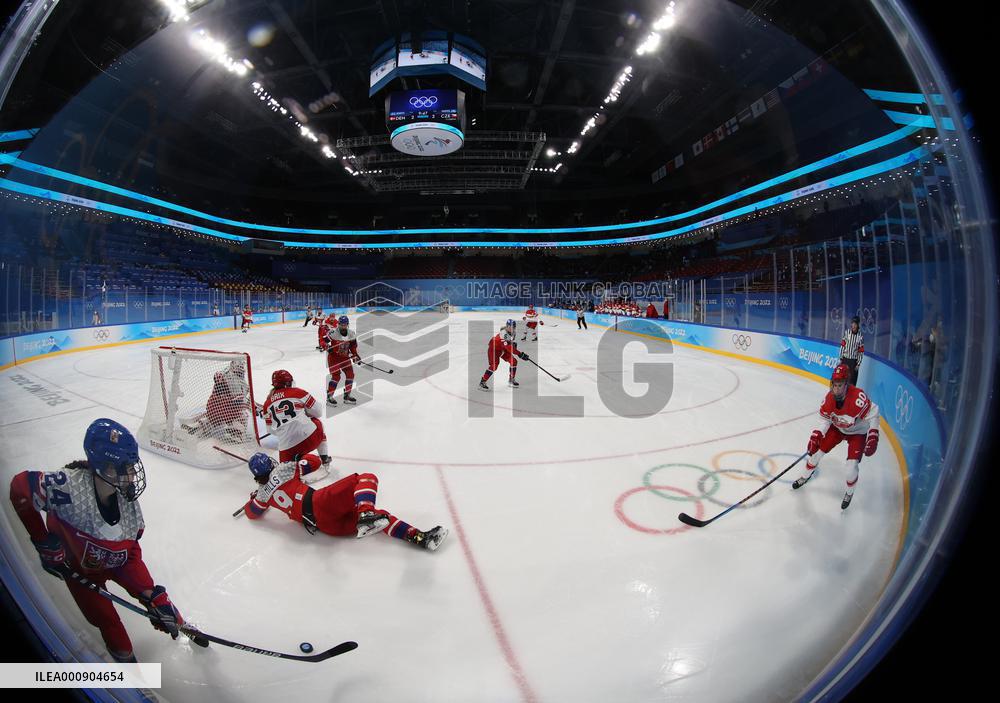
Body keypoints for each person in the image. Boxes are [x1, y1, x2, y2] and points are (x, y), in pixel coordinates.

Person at [8, 419, 207, 662]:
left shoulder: (127, 501)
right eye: (128, 466)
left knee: (158, 600)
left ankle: (181, 623)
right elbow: (21, 488)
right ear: (108, 469)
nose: (134, 473)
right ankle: (132, 674)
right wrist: (42, 540)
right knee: (109, 622)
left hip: (119, 560)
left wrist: (152, 596)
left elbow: (131, 549)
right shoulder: (71, 488)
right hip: (83, 571)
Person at [242, 453, 448, 550]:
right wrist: (297, 460)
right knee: (366, 478)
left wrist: (254, 497)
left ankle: (420, 538)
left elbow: (252, 513)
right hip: (320, 503)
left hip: (325, 527)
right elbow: (314, 462)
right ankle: (366, 513)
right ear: (270, 464)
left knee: (382, 517)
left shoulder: (262, 495)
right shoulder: (282, 470)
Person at [791, 364, 880, 510]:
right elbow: (825, 420)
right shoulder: (829, 399)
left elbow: (874, 412)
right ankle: (805, 476)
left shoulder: (858, 397)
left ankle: (849, 492)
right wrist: (817, 435)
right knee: (816, 454)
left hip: (857, 432)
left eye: (840, 385)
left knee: (851, 468)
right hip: (837, 429)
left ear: (847, 384)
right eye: (834, 384)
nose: (836, 388)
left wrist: (873, 434)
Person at [261, 370, 331, 465]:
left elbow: (271, 430)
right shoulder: (298, 392)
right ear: (288, 383)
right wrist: (304, 414)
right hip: (309, 440)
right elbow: (318, 412)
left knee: (286, 473)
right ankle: (324, 458)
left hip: (286, 449)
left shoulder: (266, 404)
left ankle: (298, 457)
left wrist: (285, 429)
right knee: (317, 422)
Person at [479, 320, 529, 391]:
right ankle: (482, 382)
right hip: (494, 349)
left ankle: (511, 380)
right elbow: (508, 347)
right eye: (509, 327)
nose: (510, 328)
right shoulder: (504, 333)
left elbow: (509, 344)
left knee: (514, 361)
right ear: (506, 326)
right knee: (494, 366)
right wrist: (520, 354)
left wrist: (513, 345)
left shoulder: (514, 333)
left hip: (502, 349)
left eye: (512, 327)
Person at [326, 315, 361, 406]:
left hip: (345, 358)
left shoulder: (352, 334)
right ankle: (329, 397)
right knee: (336, 377)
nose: (343, 326)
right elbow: (323, 341)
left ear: (348, 324)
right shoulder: (332, 333)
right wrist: (327, 347)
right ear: (338, 324)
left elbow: (353, 347)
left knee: (350, 375)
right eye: (341, 324)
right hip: (333, 358)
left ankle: (347, 396)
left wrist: (355, 356)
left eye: (345, 324)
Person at [839, 315, 865, 385]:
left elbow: (861, 351)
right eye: (852, 323)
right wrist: (841, 358)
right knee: (843, 378)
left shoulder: (860, 337)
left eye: (855, 324)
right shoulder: (847, 333)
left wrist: (858, 364)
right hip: (845, 359)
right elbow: (842, 345)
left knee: (852, 381)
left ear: (858, 325)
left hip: (853, 362)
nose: (853, 326)